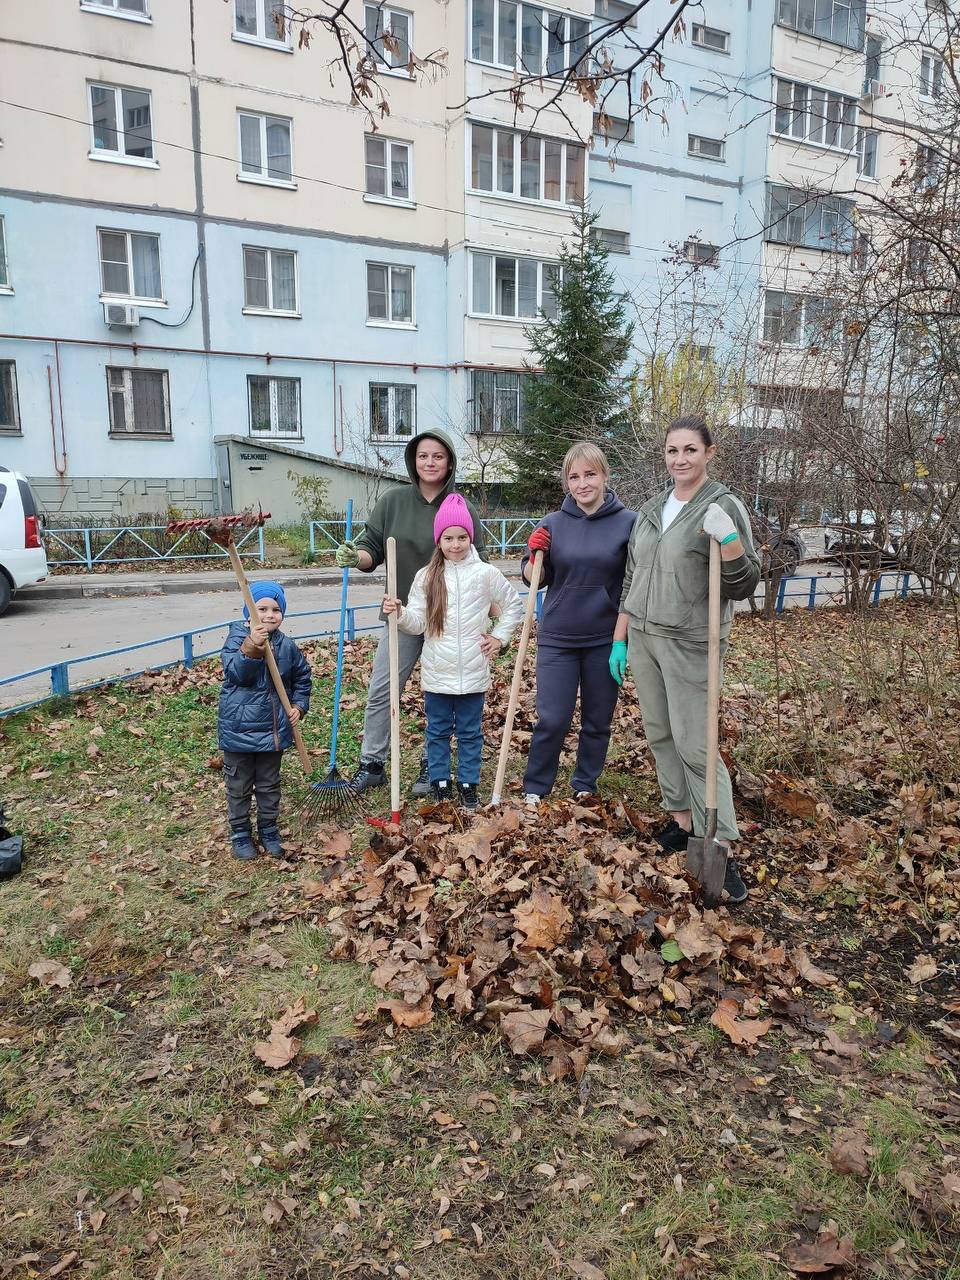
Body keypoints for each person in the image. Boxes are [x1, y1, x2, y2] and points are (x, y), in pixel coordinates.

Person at [609, 415, 761, 903]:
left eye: (690, 450)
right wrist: (621, 638)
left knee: (697, 743)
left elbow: (744, 583)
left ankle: (721, 843)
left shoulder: (723, 505)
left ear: (709, 453)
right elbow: (632, 577)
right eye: (673, 450)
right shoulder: (653, 508)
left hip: (693, 640)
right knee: (660, 733)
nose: (680, 459)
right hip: (645, 636)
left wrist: (730, 542)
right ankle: (682, 820)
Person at [335, 431, 487, 796]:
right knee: (383, 689)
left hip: (449, 620)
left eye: (438, 456)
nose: (430, 462)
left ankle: (431, 765)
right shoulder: (393, 502)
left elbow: (479, 564)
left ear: (449, 462)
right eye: (423, 456)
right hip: (402, 613)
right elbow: (371, 549)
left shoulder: (460, 506)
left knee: (442, 693)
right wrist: (356, 557)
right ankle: (372, 763)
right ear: (413, 460)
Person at [382, 493, 523, 810]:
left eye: (462, 537)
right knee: (438, 731)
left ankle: (468, 784)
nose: (456, 544)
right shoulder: (427, 576)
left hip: (473, 671)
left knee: (471, 733)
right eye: (448, 538)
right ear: (439, 540)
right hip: (438, 672)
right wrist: (400, 613)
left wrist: (499, 637)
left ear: (470, 537)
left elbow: (513, 605)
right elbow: (417, 623)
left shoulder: (485, 573)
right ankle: (441, 783)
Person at [519, 442, 636, 804]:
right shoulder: (552, 524)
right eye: (574, 477)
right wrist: (534, 556)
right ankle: (536, 786)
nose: (582, 483)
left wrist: (622, 639)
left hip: (605, 638)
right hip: (558, 637)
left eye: (590, 474)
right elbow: (535, 579)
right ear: (566, 482)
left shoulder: (629, 523)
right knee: (552, 718)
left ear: (605, 476)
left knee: (597, 720)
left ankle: (585, 782)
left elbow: (635, 581)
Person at [217, 580, 312, 860]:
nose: (269, 615)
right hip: (239, 731)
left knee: (269, 784)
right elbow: (237, 674)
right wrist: (252, 646)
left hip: (273, 731)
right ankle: (240, 832)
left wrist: (298, 706)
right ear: (249, 612)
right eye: (262, 609)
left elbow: (302, 678)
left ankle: (269, 828)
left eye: (275, 610)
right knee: (239, 785)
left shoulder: (287, 646)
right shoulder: (237, 639)